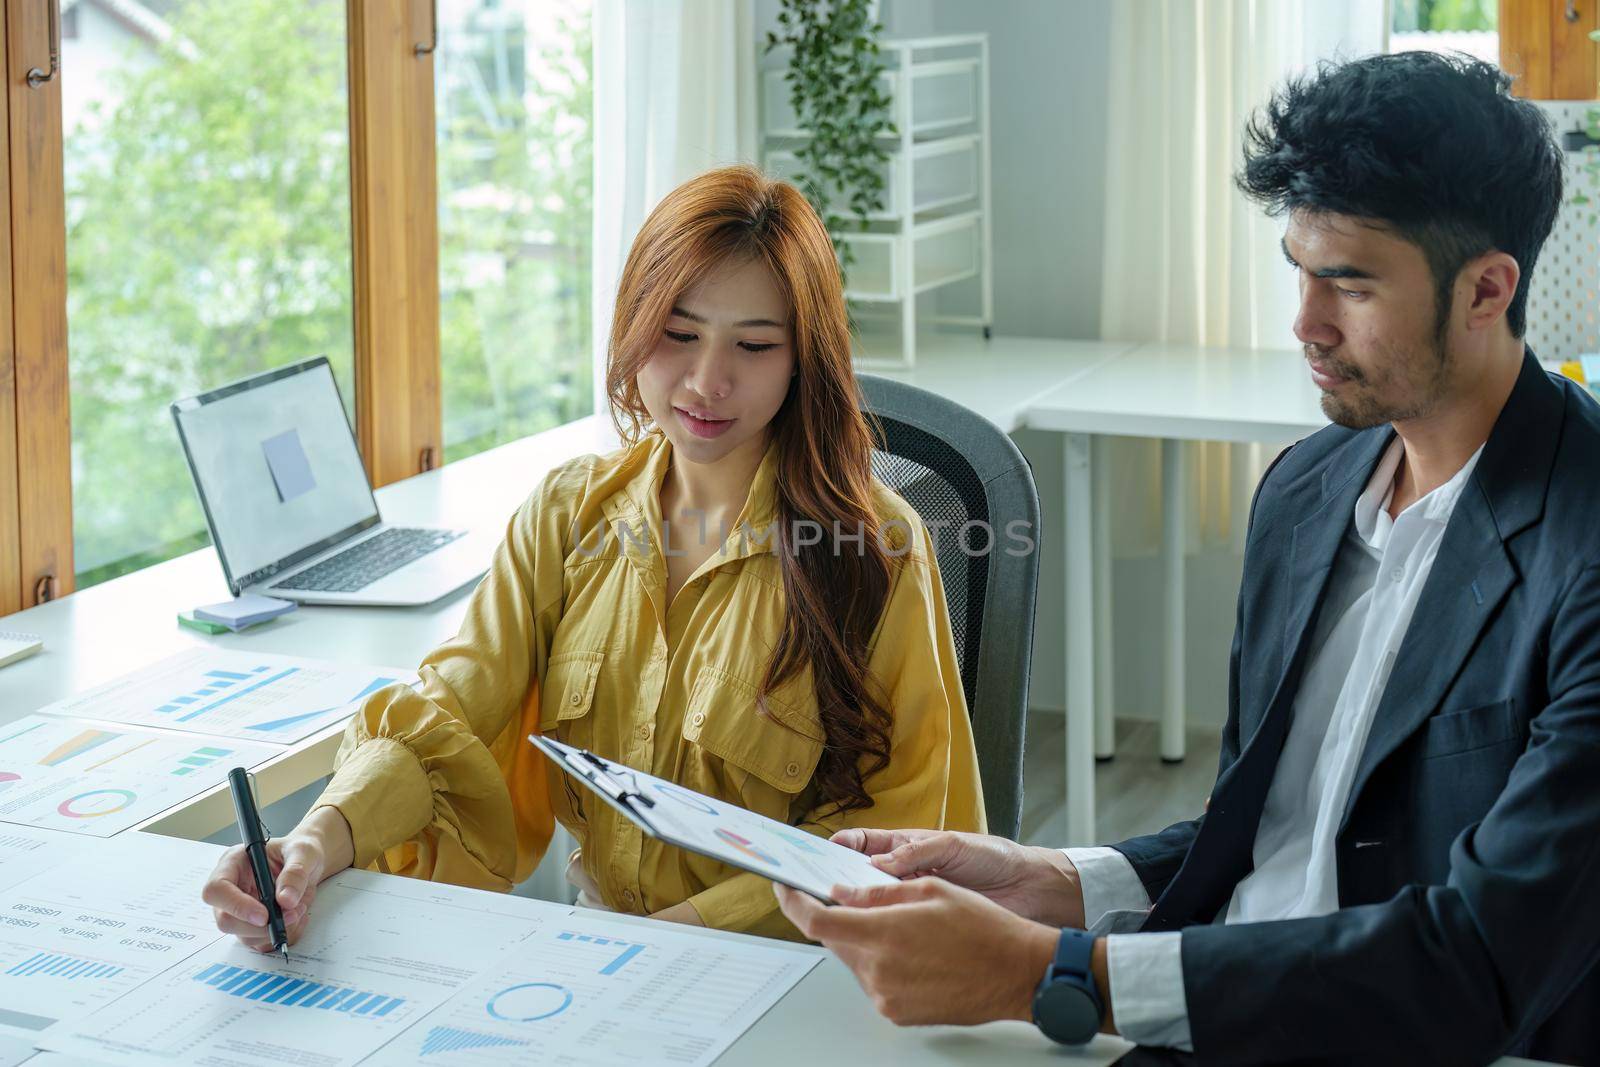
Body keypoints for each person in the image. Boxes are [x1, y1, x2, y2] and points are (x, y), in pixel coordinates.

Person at [777, 52, 1600, 1064]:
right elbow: (1280, 824)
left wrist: (1045, 972)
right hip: (1219, 1017)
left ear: (1486, 290)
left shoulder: (1583, 543)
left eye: (1347, 283)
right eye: (1297, 270)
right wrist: (1059, 881)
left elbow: (1480, 958)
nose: (1304, 323)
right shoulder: (1307, 489)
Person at [201, 164, 985, 946]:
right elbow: (450, 713)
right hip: (605, 951)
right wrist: (314, 842)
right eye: (679, 335)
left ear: (801, 359)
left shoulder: (874, 548)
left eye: (753, 345)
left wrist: (674, 937)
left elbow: (896, 830)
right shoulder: (568, 514)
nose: (707, 381)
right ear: (635, 325)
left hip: (790, 968)